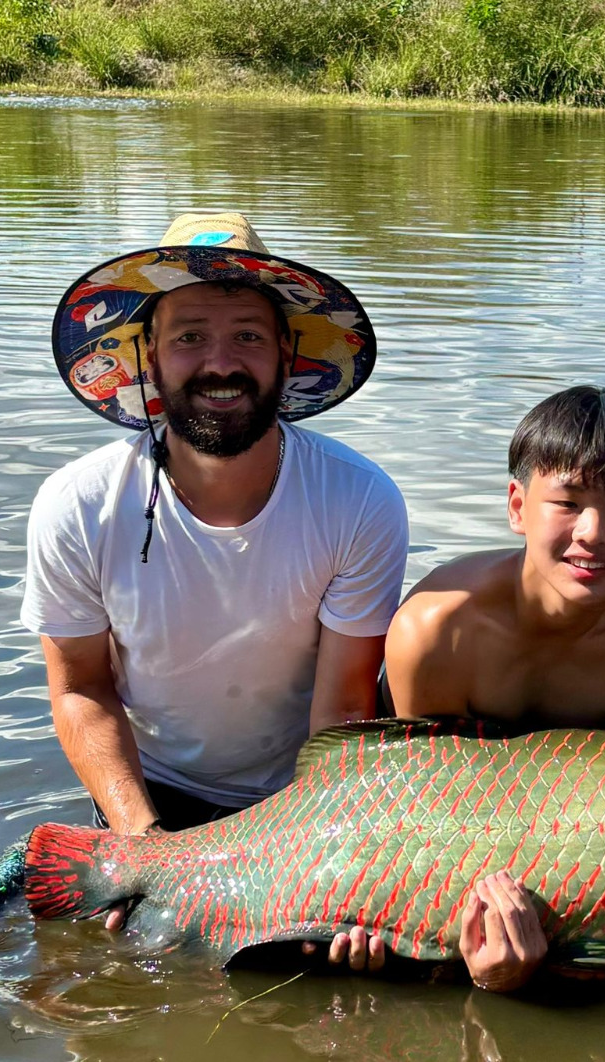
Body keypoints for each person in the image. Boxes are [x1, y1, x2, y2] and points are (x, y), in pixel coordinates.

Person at [24, 212, 408, 950]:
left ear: (289, 356)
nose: (220, 364)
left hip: (301, 797)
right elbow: (79, 690)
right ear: (149, 358)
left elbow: (344, 710)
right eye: (190, 337)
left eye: (248, 337)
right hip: (149, 792)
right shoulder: (77, 504)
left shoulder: (359, 499)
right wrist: (142, 840)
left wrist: (301, 857)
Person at [384, 385, 605, 1004]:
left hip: (573, 852)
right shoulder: (437, 631)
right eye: (566, 503)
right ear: (518, 506)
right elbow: (419, 808)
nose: (593, 534)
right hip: (444, 832)